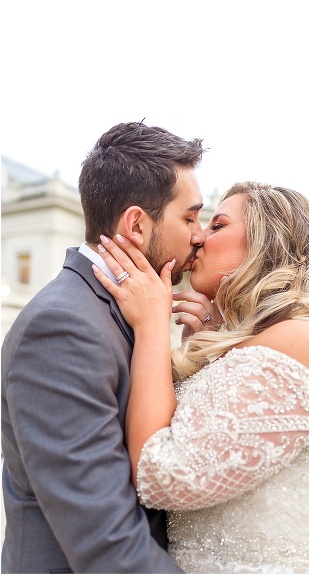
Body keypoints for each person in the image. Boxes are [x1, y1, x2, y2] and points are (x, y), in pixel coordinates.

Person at [93, 182, 309, 573]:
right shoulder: (262, 344)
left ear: (264, 242)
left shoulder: (298, 341)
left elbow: (160, 474)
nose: (198, 238)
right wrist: (213, 339)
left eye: (217, 226)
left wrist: (151, 325)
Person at [1, 121, 206, 573]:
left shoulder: (133, 309)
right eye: (189, 218)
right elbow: (108, 545)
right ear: (136, 224)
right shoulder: (61, 328)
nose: (200, 235)